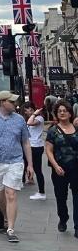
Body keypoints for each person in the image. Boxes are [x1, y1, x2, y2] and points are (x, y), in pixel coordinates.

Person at [0, 90, 35, 243]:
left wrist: (30, 164)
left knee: (11, 194)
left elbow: (25, 142)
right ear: (3, 102)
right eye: (12, 102)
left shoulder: (20, 120)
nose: (15, 104)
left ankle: (10, 228)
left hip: (15, 162)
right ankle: (5, 215)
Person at [45, 99, 78, 236]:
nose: (62, 113)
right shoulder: (53, 131)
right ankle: (63, 219)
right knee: (61, 197)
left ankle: (77, 226)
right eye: (60, 111)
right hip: (59, 168)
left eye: (65, 111)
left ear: (70, 113)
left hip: (76, 167)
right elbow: (48, 150)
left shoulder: (77, 128)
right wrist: (56, 165)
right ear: (56, 114)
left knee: (77, 196)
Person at [25, 101, 47, 200]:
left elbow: (29, 123)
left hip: (36, 146)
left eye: (27, 110)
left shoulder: (39, 118)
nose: (26, 112)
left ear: (31, 108)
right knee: (28, 164)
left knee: (38, 170)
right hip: (30, 145)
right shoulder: (31, 117)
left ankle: (42, 192)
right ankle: (30, 178)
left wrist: (34, 114)